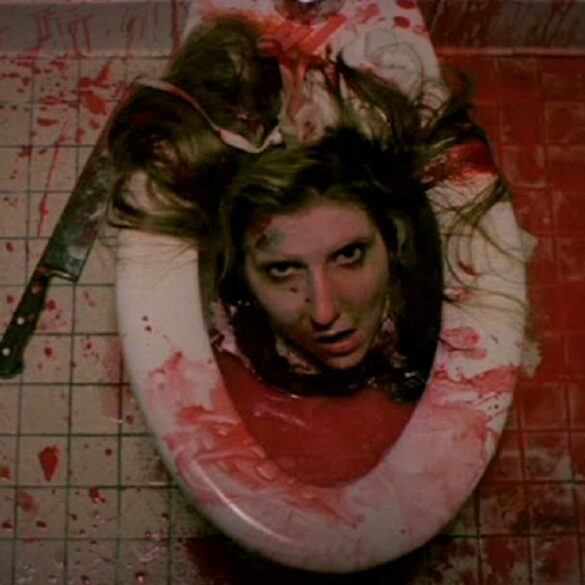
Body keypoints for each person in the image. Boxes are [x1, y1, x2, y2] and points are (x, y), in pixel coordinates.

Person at [107, 14, 508, 404]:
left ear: (392, 235)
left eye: (349, 255)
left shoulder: (422, 283)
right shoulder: (239, 318)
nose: (323, 311)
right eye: (282, 269)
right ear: (240, 268)